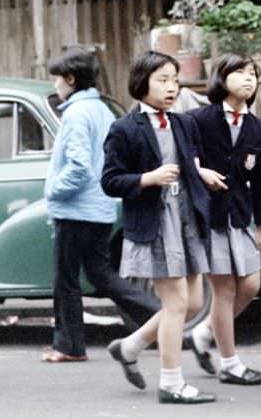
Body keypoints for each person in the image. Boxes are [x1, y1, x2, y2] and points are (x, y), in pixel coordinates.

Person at [101, 51, 224, 404]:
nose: (172, 88)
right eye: (163, 80)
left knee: (193, 301)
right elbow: (110, 181)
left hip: (187, 218)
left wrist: (201, 174)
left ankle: (130, 345)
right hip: (155, 222)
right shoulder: (124, 128)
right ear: (142, 83)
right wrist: (147, 179)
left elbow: (187, 163)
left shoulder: (184, 123)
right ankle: (171, 382)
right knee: (176, 304)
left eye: (174, 80)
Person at [41, 49, 158, 363]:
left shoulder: (77, 114)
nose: (54, 84)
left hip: (75, 208)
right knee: (100, 274)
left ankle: (69, 346)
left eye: (57, 78)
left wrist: (52, 189)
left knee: (65, 279)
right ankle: (160, 317)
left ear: (70, 79)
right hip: (100, 207)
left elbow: (79, 167)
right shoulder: (102, 110)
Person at [185, 53, 261, 385]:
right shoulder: (198, 120)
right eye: (240, 72)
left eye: (253, 74)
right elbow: (182, 157)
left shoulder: (257, 128)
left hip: (240, 214)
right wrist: (199, 170)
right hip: (209, 217)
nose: (249, 79)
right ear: (221, 78)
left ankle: (205, 333)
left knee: (251, 285)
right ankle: (230, 363)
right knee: (224, 289)